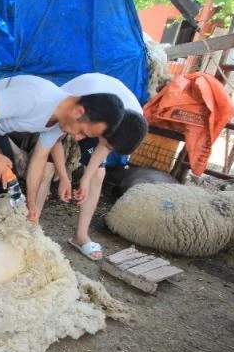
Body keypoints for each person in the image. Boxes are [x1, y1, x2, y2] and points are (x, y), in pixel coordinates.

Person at [0, 74, 125, 236]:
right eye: (82, 131)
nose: (78, 138)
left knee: (9, 197)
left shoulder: (59, 122)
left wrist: (31, 203)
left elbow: (39, 159)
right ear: (78, 112)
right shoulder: (36, 96)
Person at [33, 73, 149, 260]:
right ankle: (32, 225)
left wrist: (86, 179)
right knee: (47, 169)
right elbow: (54, 139)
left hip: (102, 121)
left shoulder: (133, 122)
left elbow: (105, 146)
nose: (108, 148)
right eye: (108, 143)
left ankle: (80, 236)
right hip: (71, 115)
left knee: (98, 174)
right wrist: (64, 176)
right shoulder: (79, 103)